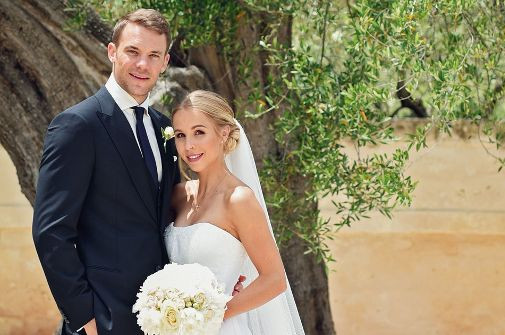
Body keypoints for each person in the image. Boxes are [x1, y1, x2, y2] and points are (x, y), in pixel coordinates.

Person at [32, 9, 180, 335]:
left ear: (165, 62)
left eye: (154, 55)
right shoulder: (77, 126)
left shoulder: (164, 129)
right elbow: (51, 233)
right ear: (112, 51)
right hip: (102, 318)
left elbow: (171, 217)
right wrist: (84, 317)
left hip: (162, 316)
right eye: (133, 51)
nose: (143, 64)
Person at [166, 90, 305, 334]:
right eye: (180, 135)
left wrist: (211, 315)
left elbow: (274, 279)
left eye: (199, 132)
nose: (188, 145)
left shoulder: (239, 199)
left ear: (224, 133)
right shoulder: (178, 196)